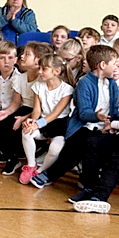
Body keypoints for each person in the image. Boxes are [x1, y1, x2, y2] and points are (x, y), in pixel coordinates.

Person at [31, 45, 119, 190]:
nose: (116, 68)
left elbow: (114, 109)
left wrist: (112, 124)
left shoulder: (112, 84)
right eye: (114, 65)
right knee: (79, 144)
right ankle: (52, 175)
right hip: (84, 125)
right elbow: (84, 113)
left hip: (105, 127)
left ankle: (84, 180)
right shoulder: (84, 83)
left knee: (95, 144)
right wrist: (97, 116)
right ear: (103, 65)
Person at [72, 54, 119, 213]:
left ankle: (99, 197)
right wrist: (113, 125)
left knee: (115, 160)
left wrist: (112, 125)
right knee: (93, 142)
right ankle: (89, 187)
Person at [0, 41, 53, 175]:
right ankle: (12, 158)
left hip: (39, 112)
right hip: (24, 108)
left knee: (19, 128)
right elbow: (15, 103)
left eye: (27, 54)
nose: (22, 57)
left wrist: (26, 117)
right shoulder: (19, 79)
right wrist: (5, 113)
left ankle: (35, 151)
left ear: (37, 62)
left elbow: (40, 108)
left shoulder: (42, 81)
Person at [19, 55, 73, 184]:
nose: (40, 72)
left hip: (59, 124)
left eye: (44, 69)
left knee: (55, 149)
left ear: (57, 71)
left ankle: (41, 170)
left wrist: (37, 124)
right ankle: (31, 165)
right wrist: (32, 121)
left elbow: (55, 114)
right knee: (26, 131)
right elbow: (37, 110)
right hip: (43, 120)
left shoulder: (67, 90)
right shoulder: (38, 86)